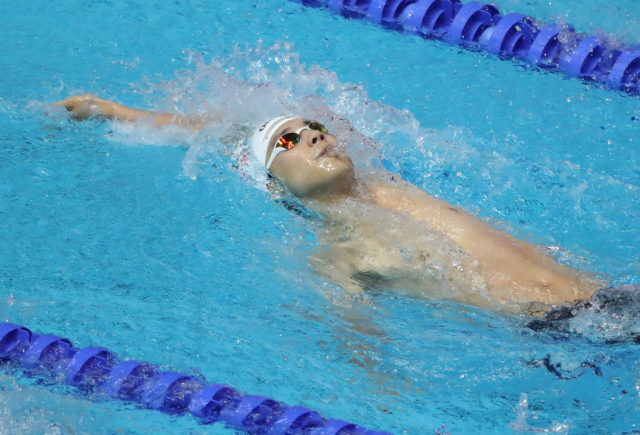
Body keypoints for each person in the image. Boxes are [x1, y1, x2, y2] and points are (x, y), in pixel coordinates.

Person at [55, 94, 604, 314]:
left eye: (312, 127)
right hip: (565, 331)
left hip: (608, 298)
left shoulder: (388, 187)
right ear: (273, 184)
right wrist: (113, 113)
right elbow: (360, 346)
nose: (311, 136)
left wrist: (115, 108)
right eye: (288, 141)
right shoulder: (341, 253)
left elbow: (222, 127)